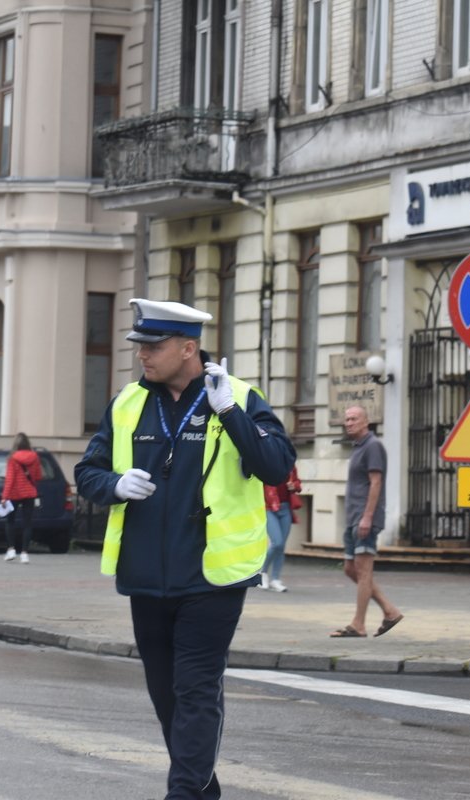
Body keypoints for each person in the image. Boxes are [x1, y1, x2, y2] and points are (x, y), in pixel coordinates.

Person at [76, 298, 295, 800]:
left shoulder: (239, 397)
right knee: (166, 697)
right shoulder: (128, 402)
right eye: (140, 346)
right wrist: (113, 484)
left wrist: (230, 413)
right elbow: (87, 472)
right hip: (145, 577)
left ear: (188, 348)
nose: (142, 355)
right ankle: (202, 788)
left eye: (153, 346)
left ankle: (183, 794)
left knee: (195, 689)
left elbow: (276, 467)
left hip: (212, 578)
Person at [331, 405, 403, 638]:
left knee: (363, 571)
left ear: (366, 422)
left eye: (354, 419)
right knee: (350, 569)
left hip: (365, 519)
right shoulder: (358, 447)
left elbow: (376, 482)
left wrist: (368, 517)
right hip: (353, 517)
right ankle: (390, 611)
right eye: (347, 419)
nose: (349, 423)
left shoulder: (373, 446)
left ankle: (358, 625)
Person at [1, 432, 42, 563]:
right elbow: (38, 476)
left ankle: (11, 550)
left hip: (14, 494)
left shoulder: (12, 458)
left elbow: (10, 479)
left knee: (10, 521)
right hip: (30, 493)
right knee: (27, 523)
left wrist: (4, 496)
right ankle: (24, 553)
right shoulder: (35, 457)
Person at [260, 466, 302, 592]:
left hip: (285, 508)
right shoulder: (266, 464)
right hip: (269, 508)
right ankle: (262, 572)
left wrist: (294, 486)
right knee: (277, 543)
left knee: (281, 545)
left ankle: (275, 579)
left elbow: (298, 483)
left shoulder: (290, 465)